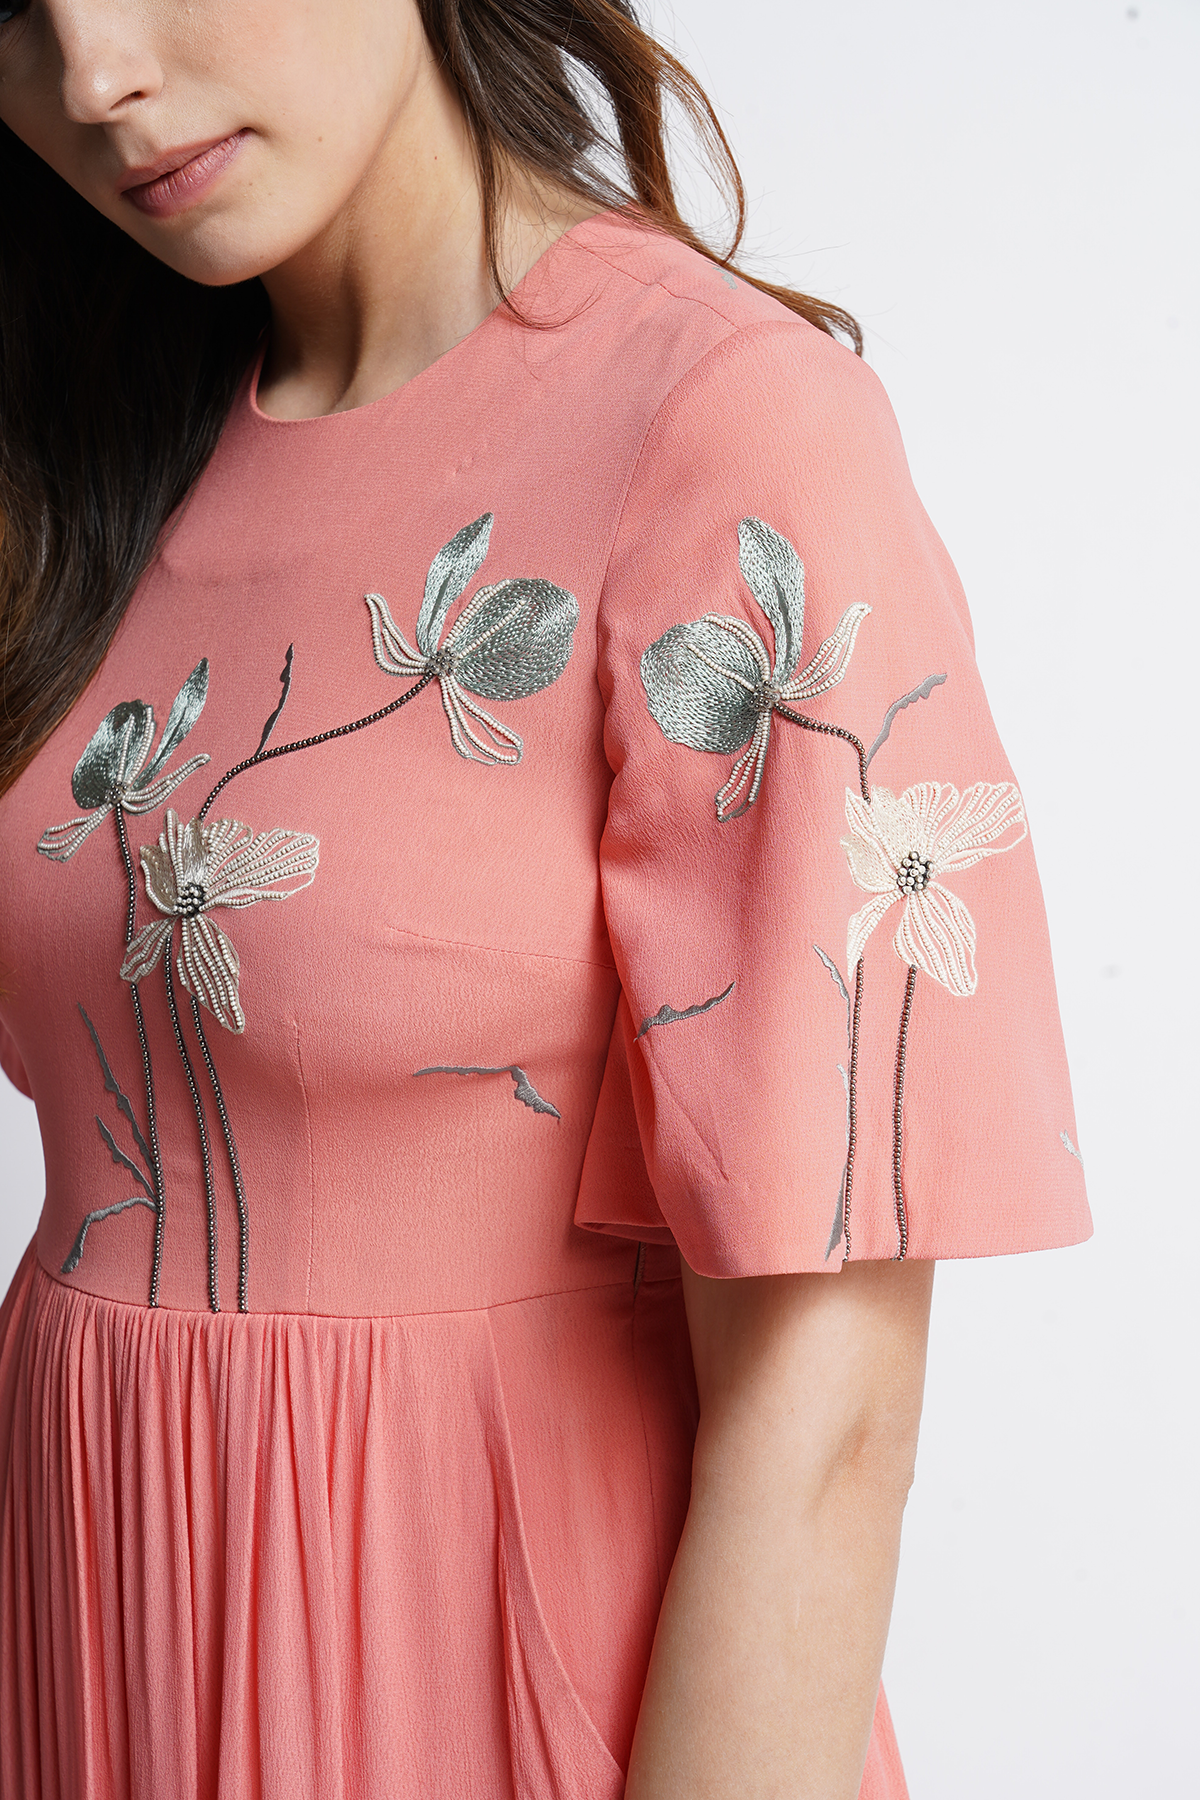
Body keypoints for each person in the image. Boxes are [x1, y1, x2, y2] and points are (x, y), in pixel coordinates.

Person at [0, 2, 1092, 1796]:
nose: (92, 75)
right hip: (89, 1632)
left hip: (483, 1684)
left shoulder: (719, 423)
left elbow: (824, 1416)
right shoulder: (92, 439)